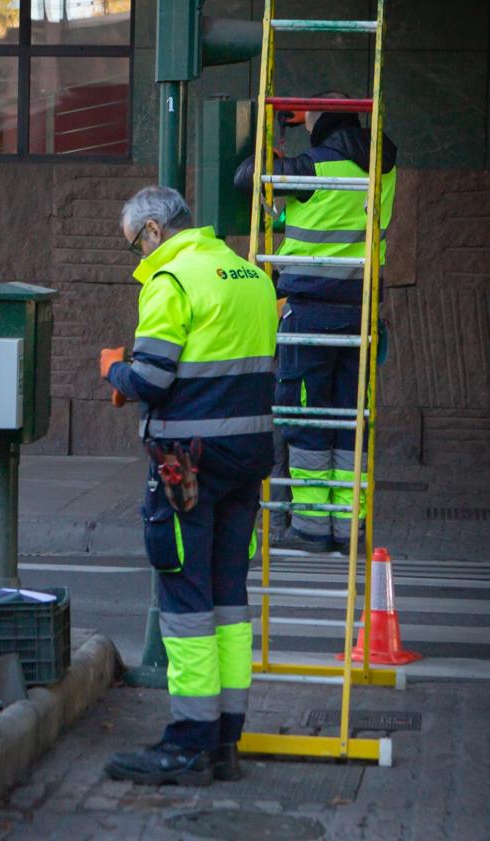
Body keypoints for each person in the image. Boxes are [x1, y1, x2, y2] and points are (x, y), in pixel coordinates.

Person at [99, 186, 278, 786]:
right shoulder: (249, 274)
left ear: (153, 229)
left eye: (135, 244)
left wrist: (113, 370)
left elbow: (151, 377)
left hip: (187, 465)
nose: (136, 258)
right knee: (229, 598)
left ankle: (188, 744)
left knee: (184, 601)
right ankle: (227, 740)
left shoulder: (172, 280)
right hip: (246, 459)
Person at [234, 92, 397, 553]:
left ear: (322, 124)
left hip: (311, 313)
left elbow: (245, 179)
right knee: (351, 422)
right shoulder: (384, 167)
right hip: (361, 314)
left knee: (307, 419)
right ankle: (350, 528)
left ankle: (311, 527)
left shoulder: (315, 167)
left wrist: (270, 153)